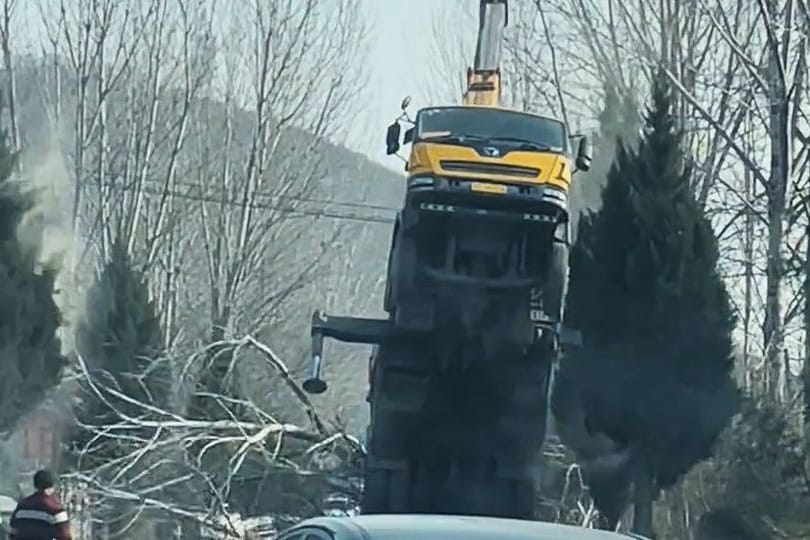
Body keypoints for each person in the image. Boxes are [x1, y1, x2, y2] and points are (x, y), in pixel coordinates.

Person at [8, 470, 71, 540]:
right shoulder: (56, 509)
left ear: (35, 485)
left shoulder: (22, 506)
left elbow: (12, 531)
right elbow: (65, 537)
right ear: (53, 486)